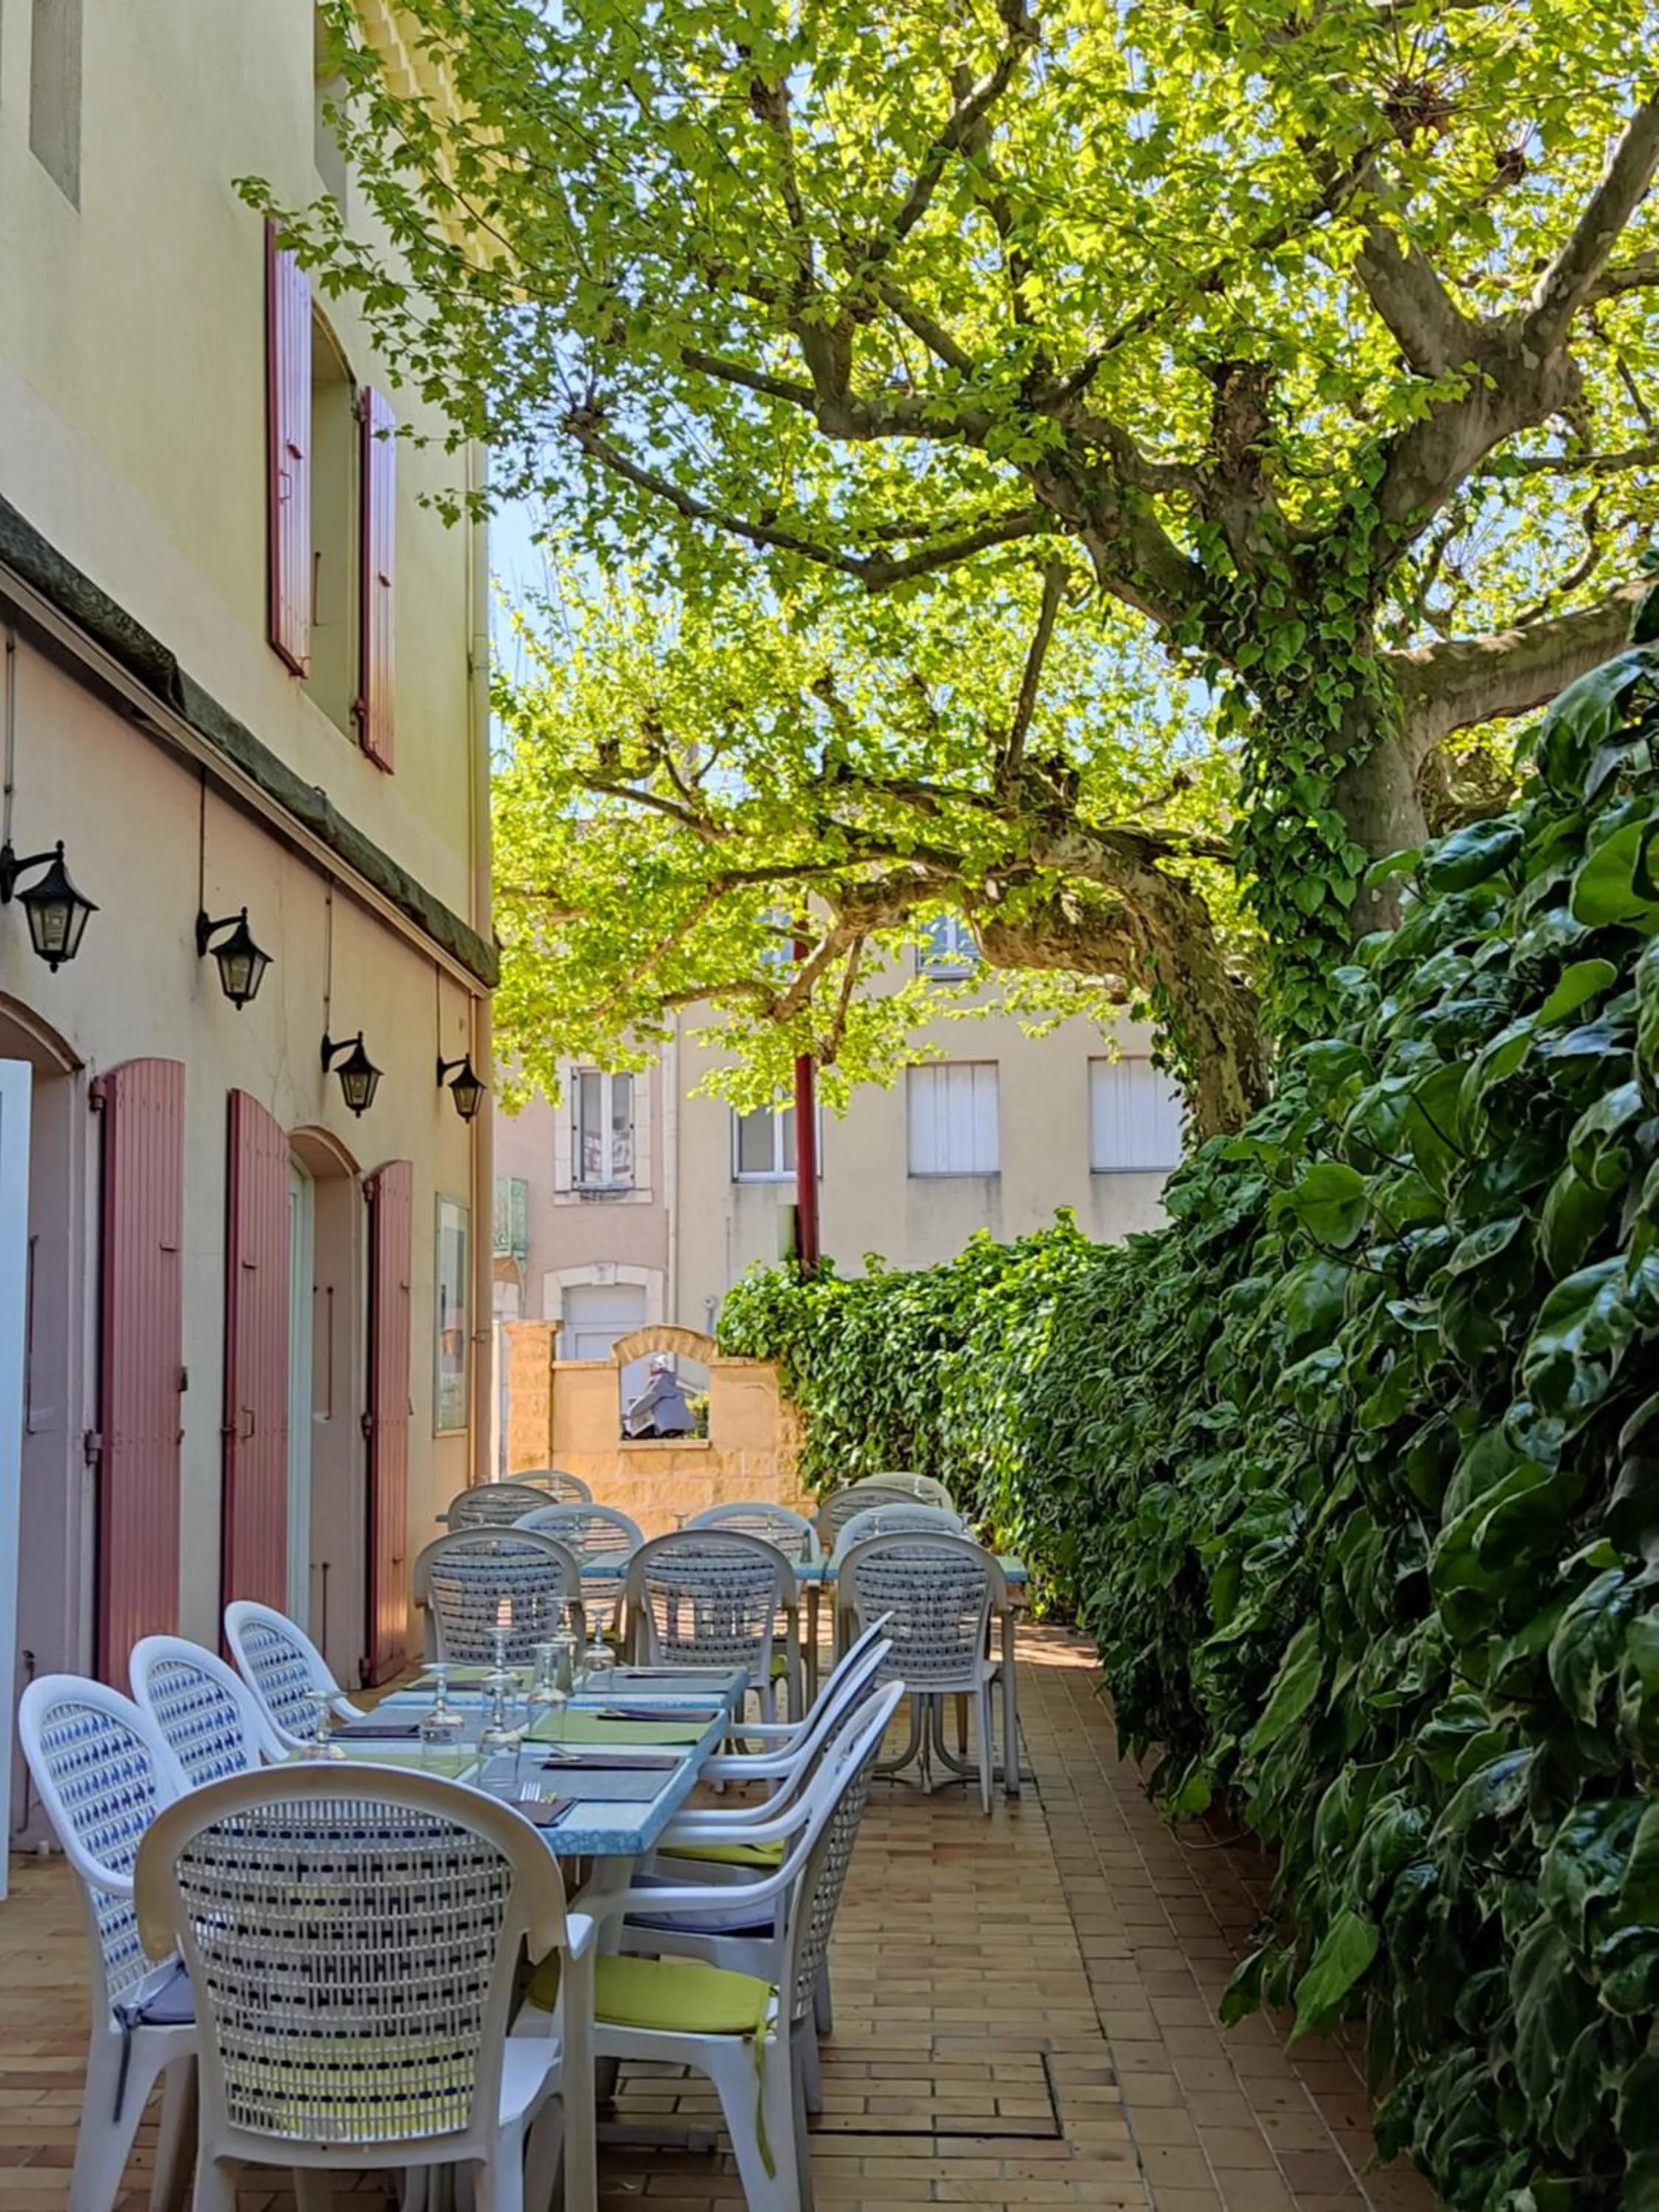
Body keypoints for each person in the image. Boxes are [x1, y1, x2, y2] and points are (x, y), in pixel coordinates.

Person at [622, 1356, 695, 1439]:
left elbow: (646, 1401)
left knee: (640, 1435)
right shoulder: (669, 1383)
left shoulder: (660, 1381)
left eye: (650, 1367)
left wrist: (626, 1415)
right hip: (679, 1423)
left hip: (668, 1423)